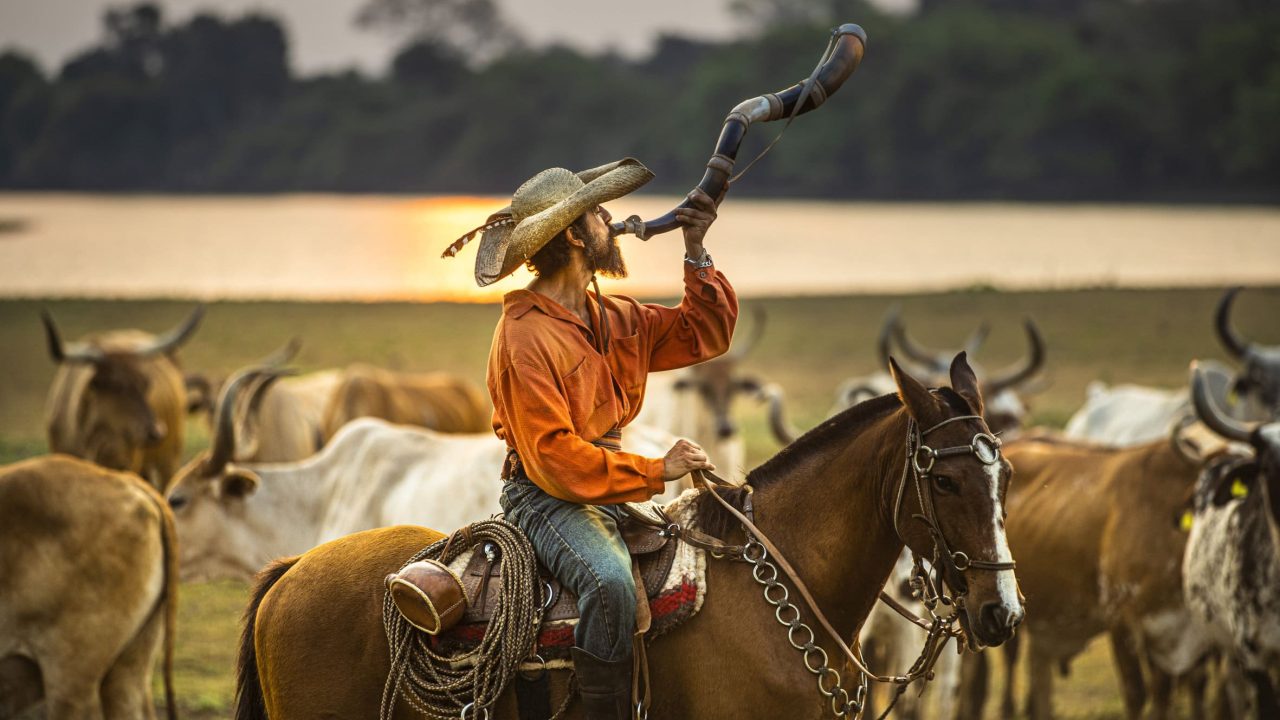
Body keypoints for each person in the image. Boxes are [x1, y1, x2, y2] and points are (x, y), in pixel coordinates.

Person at [447, 158, 737, 718]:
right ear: (577, 237)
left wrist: (696, 249)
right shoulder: (523, 336)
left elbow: (705, 333)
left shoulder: (614, 315)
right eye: (598, 214)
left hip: (605, 489)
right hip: (546, 496)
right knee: (609, 585)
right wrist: (656, 471)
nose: (612, 220)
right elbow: (554, 459)